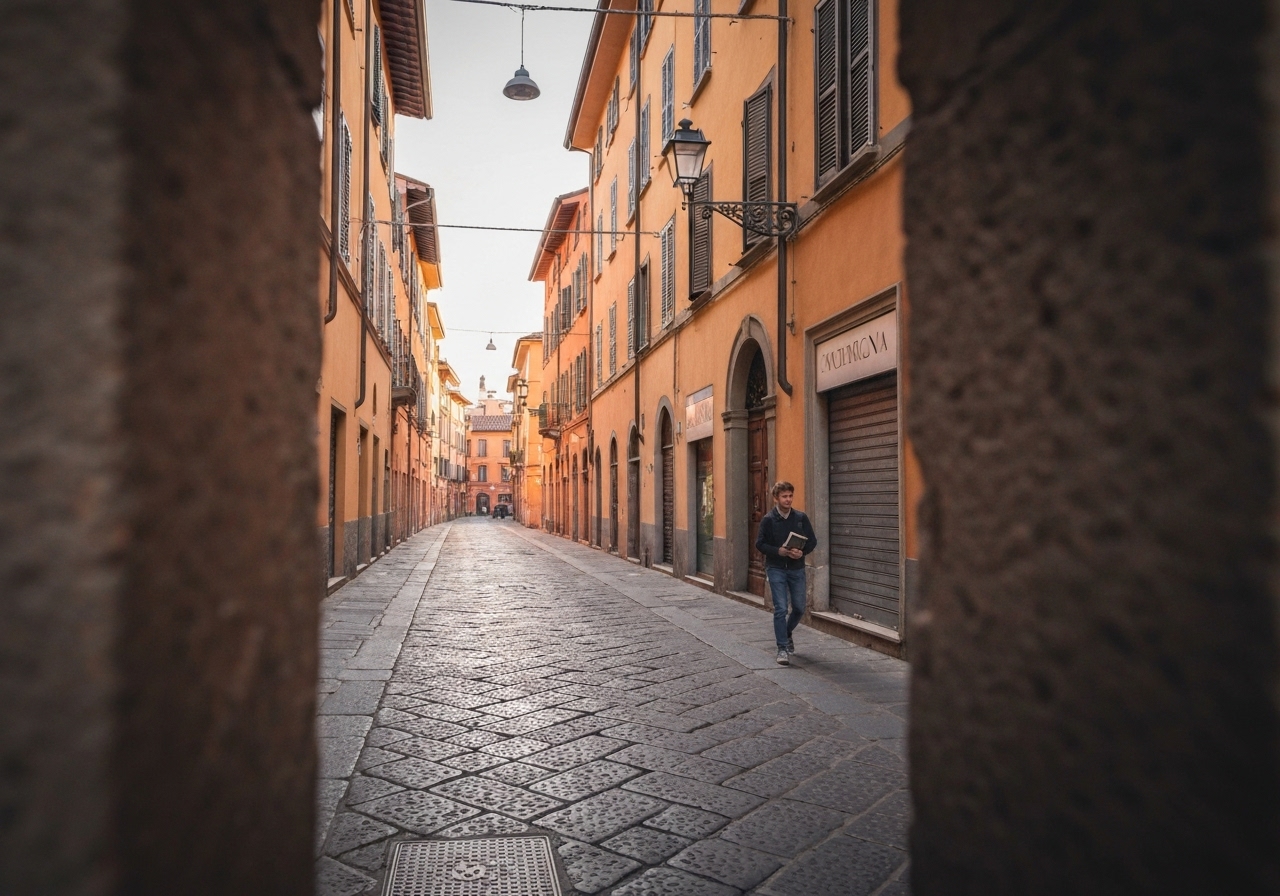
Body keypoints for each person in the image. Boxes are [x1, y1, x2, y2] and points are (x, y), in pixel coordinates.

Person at [755, 481, 817, 665]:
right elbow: (760, 544)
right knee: (781, 608)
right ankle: (782, 648)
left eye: (790, 496)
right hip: (776, 568)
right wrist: (778, 551)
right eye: (784, 496)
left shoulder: (800, 518)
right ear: (776, 498)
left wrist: (802, 552)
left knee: (799, 608)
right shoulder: (768, 520)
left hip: (796, 569)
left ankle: (787, 632)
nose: (788, 499)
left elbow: (812, 541)